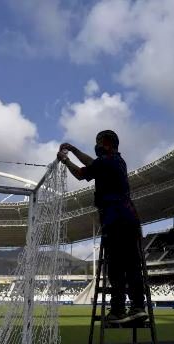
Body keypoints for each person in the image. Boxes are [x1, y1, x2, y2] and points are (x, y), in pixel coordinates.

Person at [57, 130, 147, 323]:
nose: (96, 146)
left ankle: (117, 310)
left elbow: (81, 173)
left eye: (98, 142)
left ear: (106, 144)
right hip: (131, 219)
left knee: (115, 268)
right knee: (132, 265)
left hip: (115, 220)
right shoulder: (117, 161)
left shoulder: (105, 162)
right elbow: (91, 163)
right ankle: (139, 307)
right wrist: (72, 149)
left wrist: (65, 160)